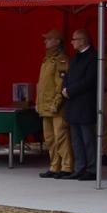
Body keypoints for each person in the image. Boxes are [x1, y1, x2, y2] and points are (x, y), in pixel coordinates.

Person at [61, 29, 99, 180]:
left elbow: (89, 80)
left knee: (88, 139)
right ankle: (80, 167)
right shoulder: (75, 58)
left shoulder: (93, 57)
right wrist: (64, 88)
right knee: (76, 139)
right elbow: (67, 75)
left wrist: (70, 90)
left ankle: (91, 169)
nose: (72, 42)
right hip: (73, 103)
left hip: (85, 103)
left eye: (74, 39)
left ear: (83, 40)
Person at [34, 29, 71, 178]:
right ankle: (54, 165)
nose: (45, 42)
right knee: (49, 139)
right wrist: (38, 102)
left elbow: (61, 83)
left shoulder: (61, 60)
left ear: (57, 41)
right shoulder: (46, 60)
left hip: (56, 106)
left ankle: (66, 166)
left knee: (60, 136)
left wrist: (57, 102)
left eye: (48, 39)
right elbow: (42, 84)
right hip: (45, 106)